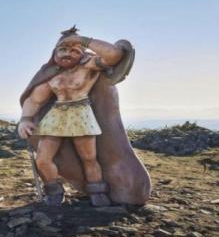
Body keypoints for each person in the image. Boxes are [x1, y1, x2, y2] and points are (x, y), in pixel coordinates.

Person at [17, 27, 148, 207]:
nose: (67, 54)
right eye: (62, 49)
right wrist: (25, 119)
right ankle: (54, 191)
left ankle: (97, 192)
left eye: (74, 50)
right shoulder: (50, 74)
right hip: (56, 115)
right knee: (42, 159)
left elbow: (115, 55)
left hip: (81, 114)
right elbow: (34, 100)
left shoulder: (89, 66)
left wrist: (83, 40)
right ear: (54, 51)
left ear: (82, 52)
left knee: (88, 158)